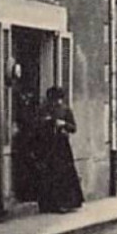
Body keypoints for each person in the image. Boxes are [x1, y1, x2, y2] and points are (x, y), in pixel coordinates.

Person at [35, 86, 83, 214]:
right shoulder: (43, 110)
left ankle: (65, 203)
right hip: (47, 145)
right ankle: (47, 204)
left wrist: (64, 124)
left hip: (62, 146)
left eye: (59, 99)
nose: (57, 102)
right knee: (48, 174)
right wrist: (47, 122)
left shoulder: (66, 110)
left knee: (63, 174)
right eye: (55, 99)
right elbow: (37, 126)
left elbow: (73, 128)